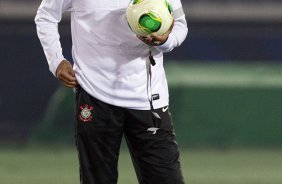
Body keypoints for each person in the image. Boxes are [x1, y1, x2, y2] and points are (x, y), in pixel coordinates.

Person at [35, 0, 188, 183]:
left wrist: (165, 41)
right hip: (95, 94)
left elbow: (180, 24)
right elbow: (46, 15)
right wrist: (56, 61)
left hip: (148, 99)